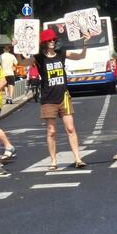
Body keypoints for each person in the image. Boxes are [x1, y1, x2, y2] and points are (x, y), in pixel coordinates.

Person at [16, 28, 89, 171]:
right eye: (49, 40)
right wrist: (17, 49)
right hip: (48, 98)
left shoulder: (61, 53)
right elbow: (22, 63)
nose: (52, 42)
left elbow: (80, 56)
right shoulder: (39, 58)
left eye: (53, 40)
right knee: (51, 131)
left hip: (64, 96)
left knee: (70, 128)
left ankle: (77, 158)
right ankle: (53, 161)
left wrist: (85, 44)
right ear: (43, 43)